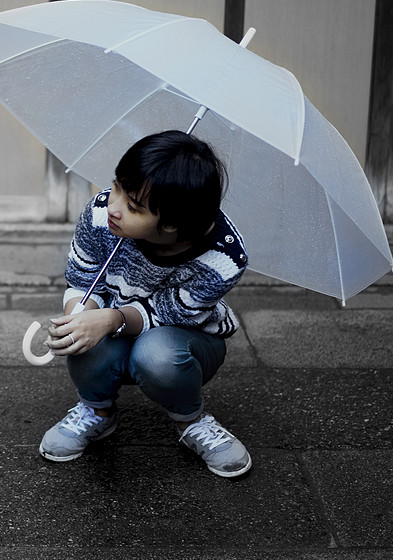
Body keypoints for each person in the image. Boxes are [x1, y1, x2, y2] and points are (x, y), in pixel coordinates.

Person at [39, 130, 251, 478]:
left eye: (133, 206)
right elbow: (81, 276)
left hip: (186, 340)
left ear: (170, 225)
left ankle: (191, 420)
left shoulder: (223, 257)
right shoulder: (100, 215)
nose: (114, 206)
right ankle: (98, 412)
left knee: (156, 354)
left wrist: (111, 319)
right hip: (115, 323)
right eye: (117, 186)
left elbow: (175, 311)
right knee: (83, 329)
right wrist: (78, 317)